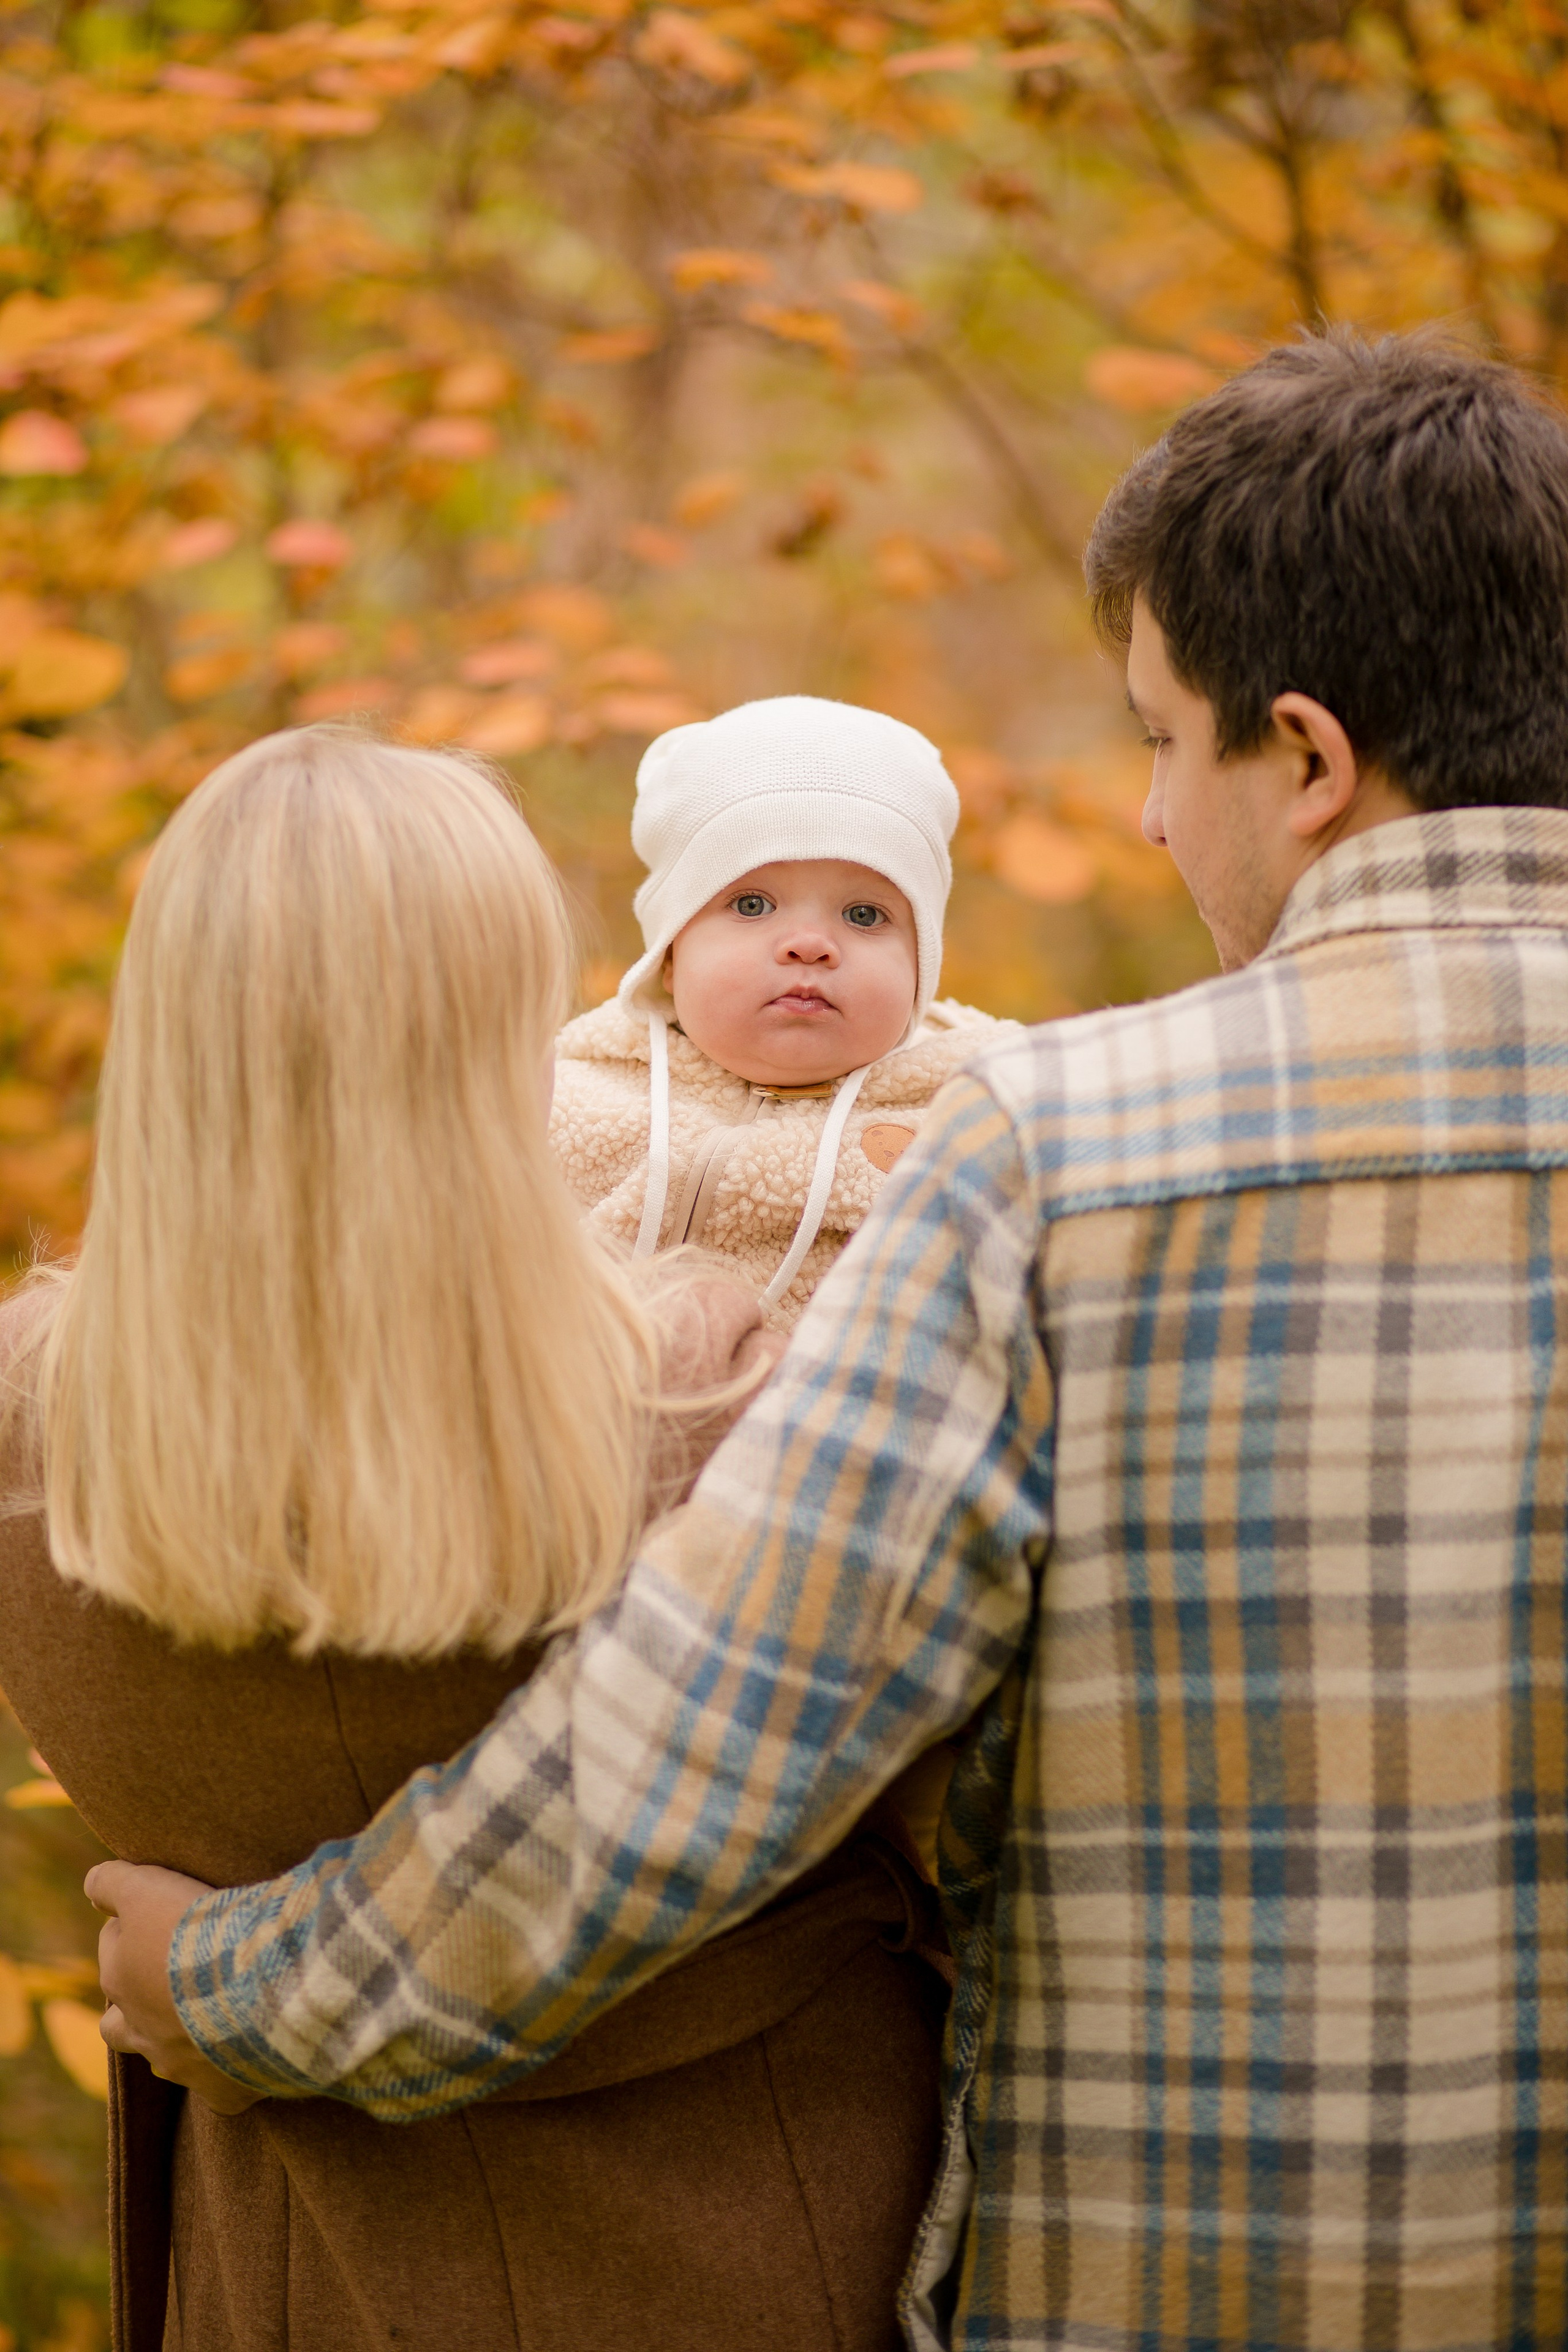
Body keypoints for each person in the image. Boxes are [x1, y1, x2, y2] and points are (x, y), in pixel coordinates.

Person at [96, 330, 1568, 2352]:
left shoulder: (1063, 1159)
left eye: (1163, 743)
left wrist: (246, 1988)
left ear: (1305, 759)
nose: (1146, 822)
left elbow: (684, 1768)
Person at [0, 727, 948, 2352]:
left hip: (294, 2275)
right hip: (750, 2246)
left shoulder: (41, 1437)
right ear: (521, 1029)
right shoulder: (715, 1396)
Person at [551, 693, 1016, 1329]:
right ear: (668, 953)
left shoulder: (978, 1115)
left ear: (921, 967)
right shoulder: (564, 1097)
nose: (809, 944)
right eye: (750, 905)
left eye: (863, 915)